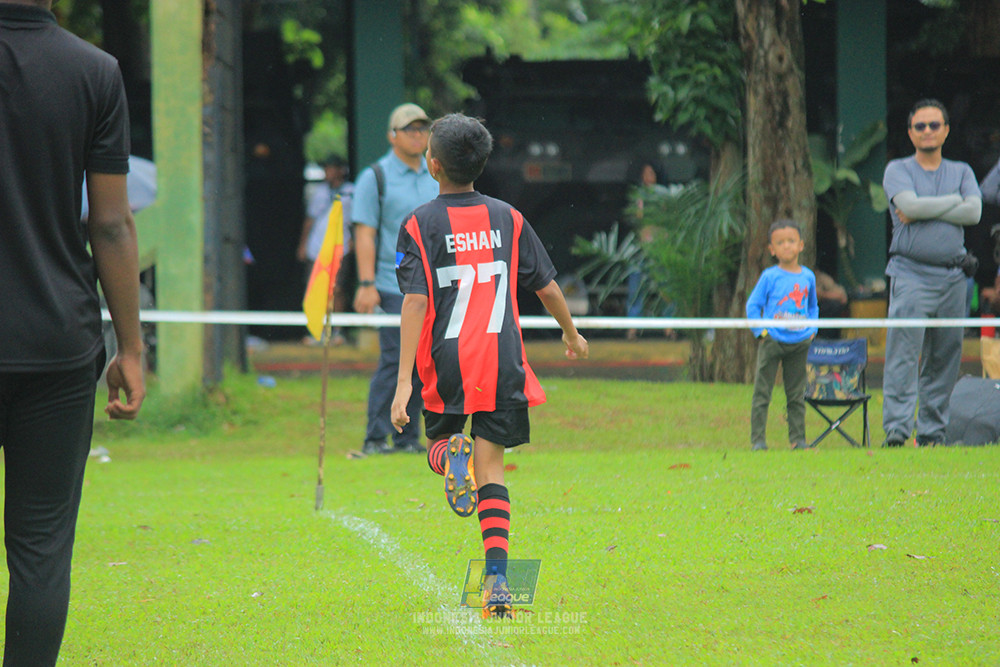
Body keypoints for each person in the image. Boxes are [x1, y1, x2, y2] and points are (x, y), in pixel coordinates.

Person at [389, 113, 589, 617]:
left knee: (437, 444)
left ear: (433, 165)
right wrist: (571, 332)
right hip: (502, 361)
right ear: (482, 163)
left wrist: (402, 386)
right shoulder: (509, 218)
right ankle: (497, 584)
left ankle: (446, 458)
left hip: (446, 360)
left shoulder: (417, 224)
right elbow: (545, 286)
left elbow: (414, 304)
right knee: (492, 466)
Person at [0, 2, 146, 665]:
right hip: (57, 341)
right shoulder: (94, 70)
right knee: (39, 548)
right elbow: (111, 224)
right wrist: (132, 347)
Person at [881, 99, 982, 448]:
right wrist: (955, 201)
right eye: (920, 126)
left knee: (945, 356)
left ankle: (932, 433)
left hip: (953, 277)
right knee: (903, 355)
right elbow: (907, 206)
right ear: (910, 133)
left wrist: (927, 209)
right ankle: (896, 430)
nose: (927, 131)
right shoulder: (898, 169)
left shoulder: (961, 171)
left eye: (934, 125)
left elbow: (975, 214)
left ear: (946, 130)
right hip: (910, 274)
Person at [353, 104, 439, 455]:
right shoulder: (375, 177)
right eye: (409, 129)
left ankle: (406, 438)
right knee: (394, 359)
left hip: (432, 285)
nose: (418, 134)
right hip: (391, 284)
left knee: (421, 362)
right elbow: (365, 233)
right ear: (393, 135)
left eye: (422, 128)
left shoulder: (436, 173)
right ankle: (375, 437)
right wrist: (366, 283)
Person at [746, 220, 819, 451]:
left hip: (800, 343)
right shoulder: (769, 276)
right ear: (772, 250)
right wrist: (762, 332)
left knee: (796, 394)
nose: (786, 246)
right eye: (780, 242)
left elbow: (813, 307)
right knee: (762, 393)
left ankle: (798, 440)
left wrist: (812, 330)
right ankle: (758, 441)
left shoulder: (808, 277)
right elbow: (752, 306)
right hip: (773, 341)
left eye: (791, 241)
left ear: (801, 245)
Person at [297, 155, 353, 345]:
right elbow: (309, 219)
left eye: (331, 168)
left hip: (340, 247)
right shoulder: (318, 192)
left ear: (340, 170)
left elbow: (356, 221)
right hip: (316, 247)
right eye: (325, 168)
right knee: (315, 287)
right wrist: (303, 244)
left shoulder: (350, 191)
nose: (327, 172)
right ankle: (316, 330)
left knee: (337, 289)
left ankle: (336, 331)